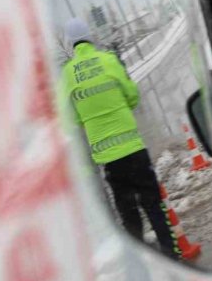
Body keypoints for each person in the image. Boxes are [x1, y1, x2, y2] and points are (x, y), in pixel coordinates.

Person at [60, 18, 181, 260]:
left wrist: (88, 119)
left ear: (69, 44)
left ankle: (139, 266)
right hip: (134, 150)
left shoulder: (67, 74)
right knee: (154, 205)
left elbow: (68, 119)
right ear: (90, 37)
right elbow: (132, 95)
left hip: (109, 161)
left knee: (129, 217)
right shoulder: (108, 60)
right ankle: (172, 256)